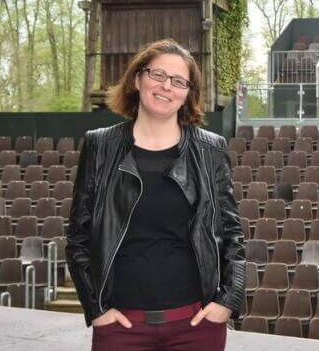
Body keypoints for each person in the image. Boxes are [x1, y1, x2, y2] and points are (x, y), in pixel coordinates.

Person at [66, 39, 245, 351]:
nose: (166, 87)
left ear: (188, 93)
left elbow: (232, 233)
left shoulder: (210, 148)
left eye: (178, 81)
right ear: (137, 79)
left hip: (196, 325)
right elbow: (78, 236)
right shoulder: (99, 146)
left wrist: (226, 302)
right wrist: (96, 309)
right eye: (157, 75)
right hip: (120, 327)